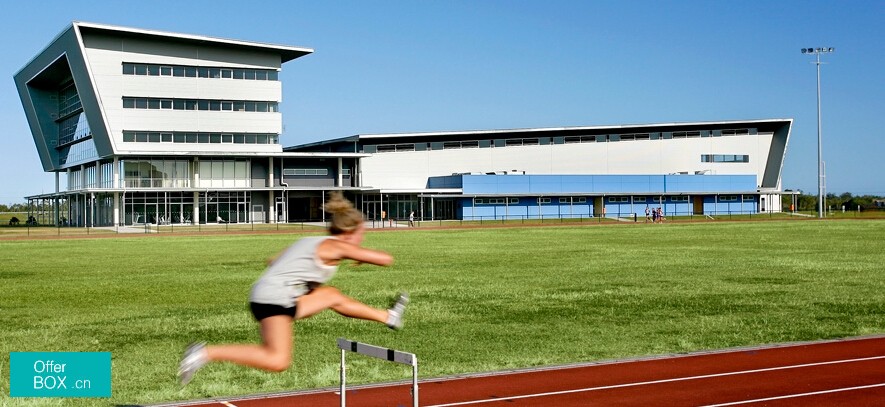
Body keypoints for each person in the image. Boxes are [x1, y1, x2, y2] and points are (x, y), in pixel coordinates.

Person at [178, 192, 409, 385]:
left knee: (331, 296)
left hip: (276, 295)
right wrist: (357, 255)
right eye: (362, 234)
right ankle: (204, 353)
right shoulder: (336, 247)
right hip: (274, 299)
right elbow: (385, 259)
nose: (362, 238)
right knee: (278, 360)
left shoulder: (312, 242)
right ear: (350, 232)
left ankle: (388, 316)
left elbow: (274, 261)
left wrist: (307, 282)